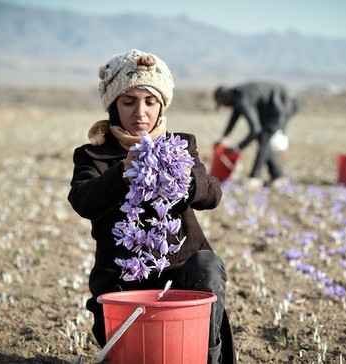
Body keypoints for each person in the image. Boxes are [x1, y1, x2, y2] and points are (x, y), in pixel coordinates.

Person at [67, 49, 235, 364]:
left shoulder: (180, 145)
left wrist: (188, 177)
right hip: (123, 287)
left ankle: (208, 358)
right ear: (113, 106)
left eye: (150, 101)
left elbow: (212, 195)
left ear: (162, 105)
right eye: (128, 101)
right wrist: (123, 173)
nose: (140, 112)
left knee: (207, 264)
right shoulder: (93, 155)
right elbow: (83, 201)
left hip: (181, 281)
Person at [213, 81, 299, 187]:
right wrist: (224, 137)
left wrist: (238, 147)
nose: (225, 107)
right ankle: (277, 176)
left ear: (228, 97)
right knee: (264, 140)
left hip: (282, 106)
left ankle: (255, 178)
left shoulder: (243, 99)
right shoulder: (238, 95)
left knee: (264, 139)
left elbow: (255, 130)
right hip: (275, 107)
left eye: (224, 104)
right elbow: (234, 117)